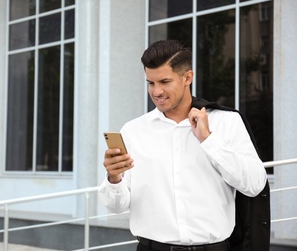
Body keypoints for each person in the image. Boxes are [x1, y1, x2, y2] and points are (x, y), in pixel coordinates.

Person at [98, 40, 267, 251]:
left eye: (165, 81)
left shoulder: (227, 122)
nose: (156, 91)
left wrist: (209, 140)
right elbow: (116, 207)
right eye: (151, 83)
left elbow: (255, 185)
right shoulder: (133, 131)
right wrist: (114, 179)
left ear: (187, 77)